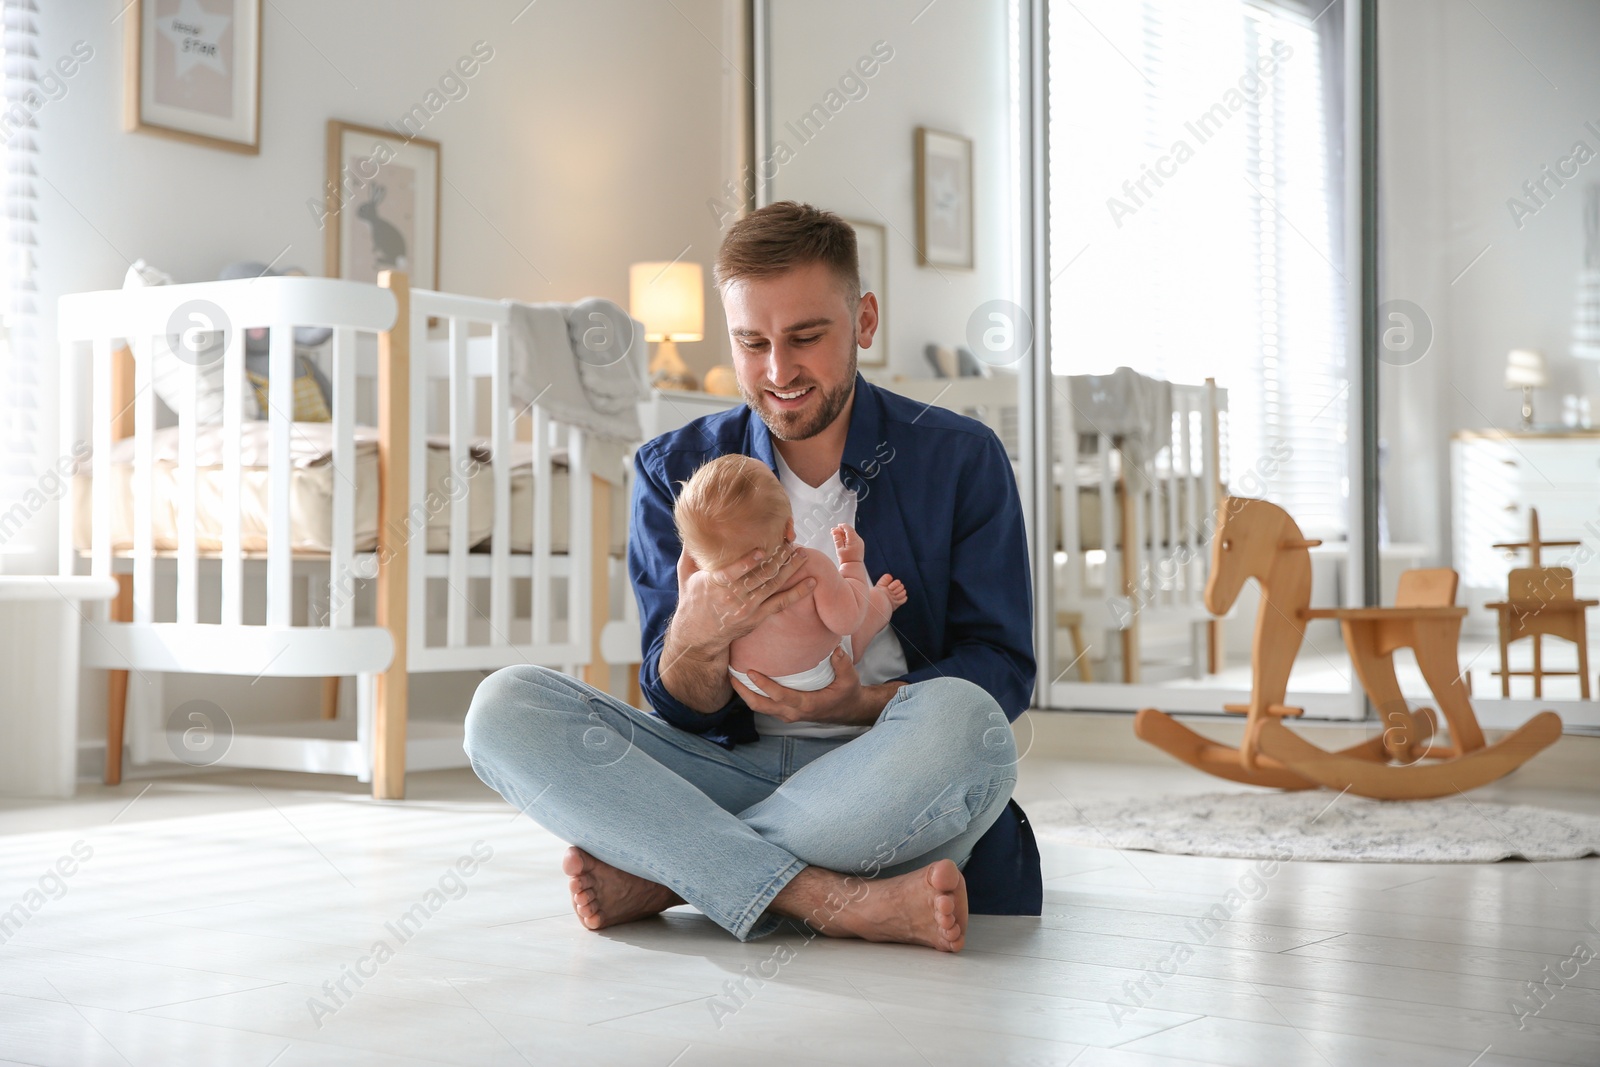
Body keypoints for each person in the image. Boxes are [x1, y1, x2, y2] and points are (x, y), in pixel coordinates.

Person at [464, 200, 1040, 952]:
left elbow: (1002, 670)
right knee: (504, 709)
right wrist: (696, 640)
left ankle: (678, 870)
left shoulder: (961, 457)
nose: (779, 371)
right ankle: (834, 898)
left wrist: (861, 700)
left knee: (971, 730)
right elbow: (684, 708)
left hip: (884, 776)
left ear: (863, 321)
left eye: (806, 337)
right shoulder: (673, 470)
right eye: (752, 343)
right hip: (725, 765)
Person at [673, 453, 907, 700]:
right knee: (859, 624)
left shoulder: (706, 585)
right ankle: (885, 601)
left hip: (746, 681)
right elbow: (847, 621)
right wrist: (852, 562)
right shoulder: (808, 565)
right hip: (815, 677)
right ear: (789, 528)